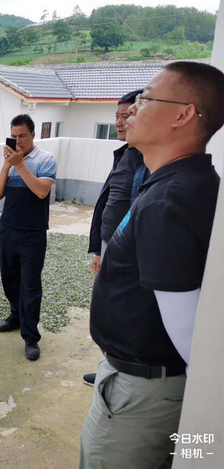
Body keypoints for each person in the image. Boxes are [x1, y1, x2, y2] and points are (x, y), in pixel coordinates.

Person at [79, 61, 224, 468]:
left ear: (183, 115)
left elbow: (190, 333)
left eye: (146, 98)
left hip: (142, 396)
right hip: (142, 386)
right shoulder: (175, 182)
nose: (132, 109)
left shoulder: (169, 200)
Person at [83, 88, 148, 387]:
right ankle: (109, 367)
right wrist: (99, 249)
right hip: (110, 243)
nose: (121, 123)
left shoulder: (148, 159)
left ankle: (118, 373)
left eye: (128, 115)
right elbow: (109, 204)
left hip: (126, 249)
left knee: (119, 310)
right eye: (118, 116)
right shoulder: (125, 154)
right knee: (106, 309)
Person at [0, 114, 57, 361]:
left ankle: (31, 337)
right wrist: (7, 165)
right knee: (9, 278)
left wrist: (19, 164)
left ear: (33, 135)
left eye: (22, 135)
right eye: (14, 136)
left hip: (32, 233)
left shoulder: (45, 159)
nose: (18, 140)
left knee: (30, 285)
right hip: (7, 229)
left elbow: (41, 191)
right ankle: (16, 316)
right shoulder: (10, 162)